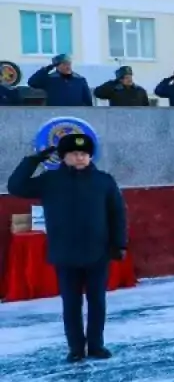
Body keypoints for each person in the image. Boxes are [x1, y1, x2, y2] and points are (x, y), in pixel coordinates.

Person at [7, 133, 126, 362]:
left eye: (84, 154)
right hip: (65, 253)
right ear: (64, 157)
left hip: (97, 253)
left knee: (97, 302)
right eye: (74, 154)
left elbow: (117, 214)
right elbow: (16, 186)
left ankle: (96, 345)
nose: (80, 157)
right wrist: (33, 161)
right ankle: (75, 349)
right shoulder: (50, 181)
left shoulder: (104, 181)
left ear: (90, 156)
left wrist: (118, 244)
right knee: (71, 304)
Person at [28, 55, 92, 107]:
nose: (68, 66)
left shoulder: (79, 80)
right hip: (56, 114)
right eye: (64, 64)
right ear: (57, 66)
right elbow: (32, 82)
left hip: (75, 115)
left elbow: (88, 100)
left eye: (69, 64)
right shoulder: (50, 79)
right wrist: (46, 69)